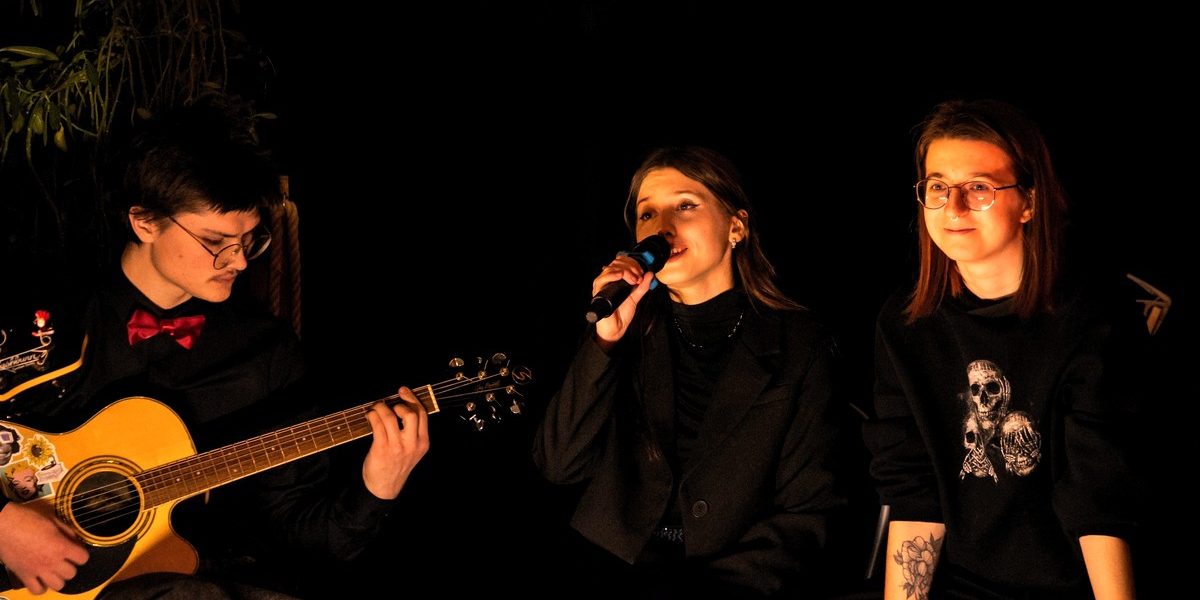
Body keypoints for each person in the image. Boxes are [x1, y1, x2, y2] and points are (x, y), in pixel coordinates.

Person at [0, 101, 430, 598]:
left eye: (249, 240)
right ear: (144, 222)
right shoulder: (40, 317)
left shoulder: (265, 354)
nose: (239, 262)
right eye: (215, 240)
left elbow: (303, 536)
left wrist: (379, 486)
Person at [533, 146, 844, 597]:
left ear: (736, 226)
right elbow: (559, 464)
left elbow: (809, 513)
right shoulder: (628, 329)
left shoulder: (800, 344)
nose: (662, 227)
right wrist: (605, 343)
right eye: (647, 214)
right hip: (607, 570)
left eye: (685, 206)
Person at [864, 99, 1142, 599]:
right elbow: (913, 493)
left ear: (1029, 201)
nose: (953, 208)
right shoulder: (906, 325)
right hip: (962, 586)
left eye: (979, 188)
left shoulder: (1093, 317)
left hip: (1075, 586)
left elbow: (1099, 498)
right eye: (938, 187)